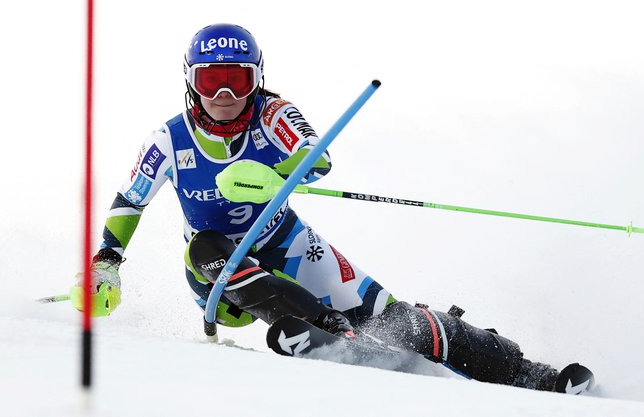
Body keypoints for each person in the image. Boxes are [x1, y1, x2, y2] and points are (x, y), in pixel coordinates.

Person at [70, 23, 587, 394]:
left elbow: (315, 157)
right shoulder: (169, 139)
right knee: (210, 247)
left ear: (257, 80)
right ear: (191, 82)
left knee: (397, 318)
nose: (225, 94)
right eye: (210, 81)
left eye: (238, 80)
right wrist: (107, 262)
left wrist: (278, 175)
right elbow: (130, 201)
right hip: (217, 269)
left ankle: (530, 374)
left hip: (287, 240)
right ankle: (320, 328)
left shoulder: (273, 113)